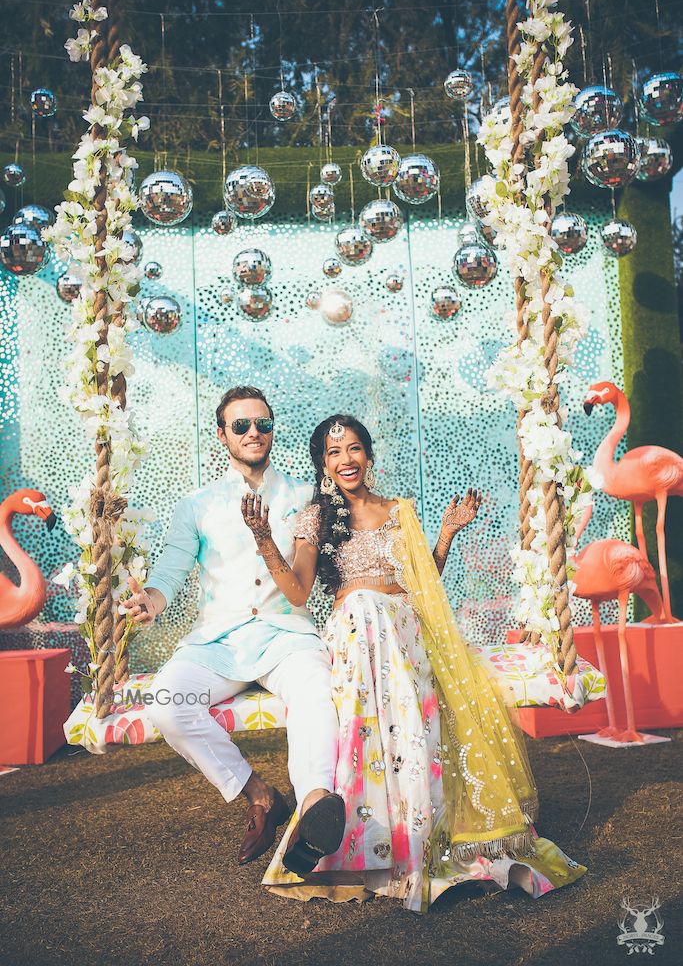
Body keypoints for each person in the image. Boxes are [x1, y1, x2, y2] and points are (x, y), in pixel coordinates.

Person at [240, 414, 587, 912]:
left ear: (369, 454)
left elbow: (424, 586)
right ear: (323, 463)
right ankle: (364, 842)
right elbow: (297, 592)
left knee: (382, 613)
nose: (346, 460)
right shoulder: (316, 518)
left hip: (403, 633)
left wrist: (445, 533)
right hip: (359, 637)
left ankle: (418, 839)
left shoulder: (399, 511)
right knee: (363, 606)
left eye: (354, 449)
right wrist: (263, 538)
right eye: (335, 453)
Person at [121, 386, 345, 869]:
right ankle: (259, 794)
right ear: (222, 435)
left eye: (262, 424)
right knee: (165, 703)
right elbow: (172, 569)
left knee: (315, 691)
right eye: (241, 425)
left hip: (287, 635)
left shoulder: (304, 495)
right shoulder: (198, 504)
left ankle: (314, 805)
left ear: (272, 429)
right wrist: (151, 600)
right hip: (218, 640)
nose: (253, 433)